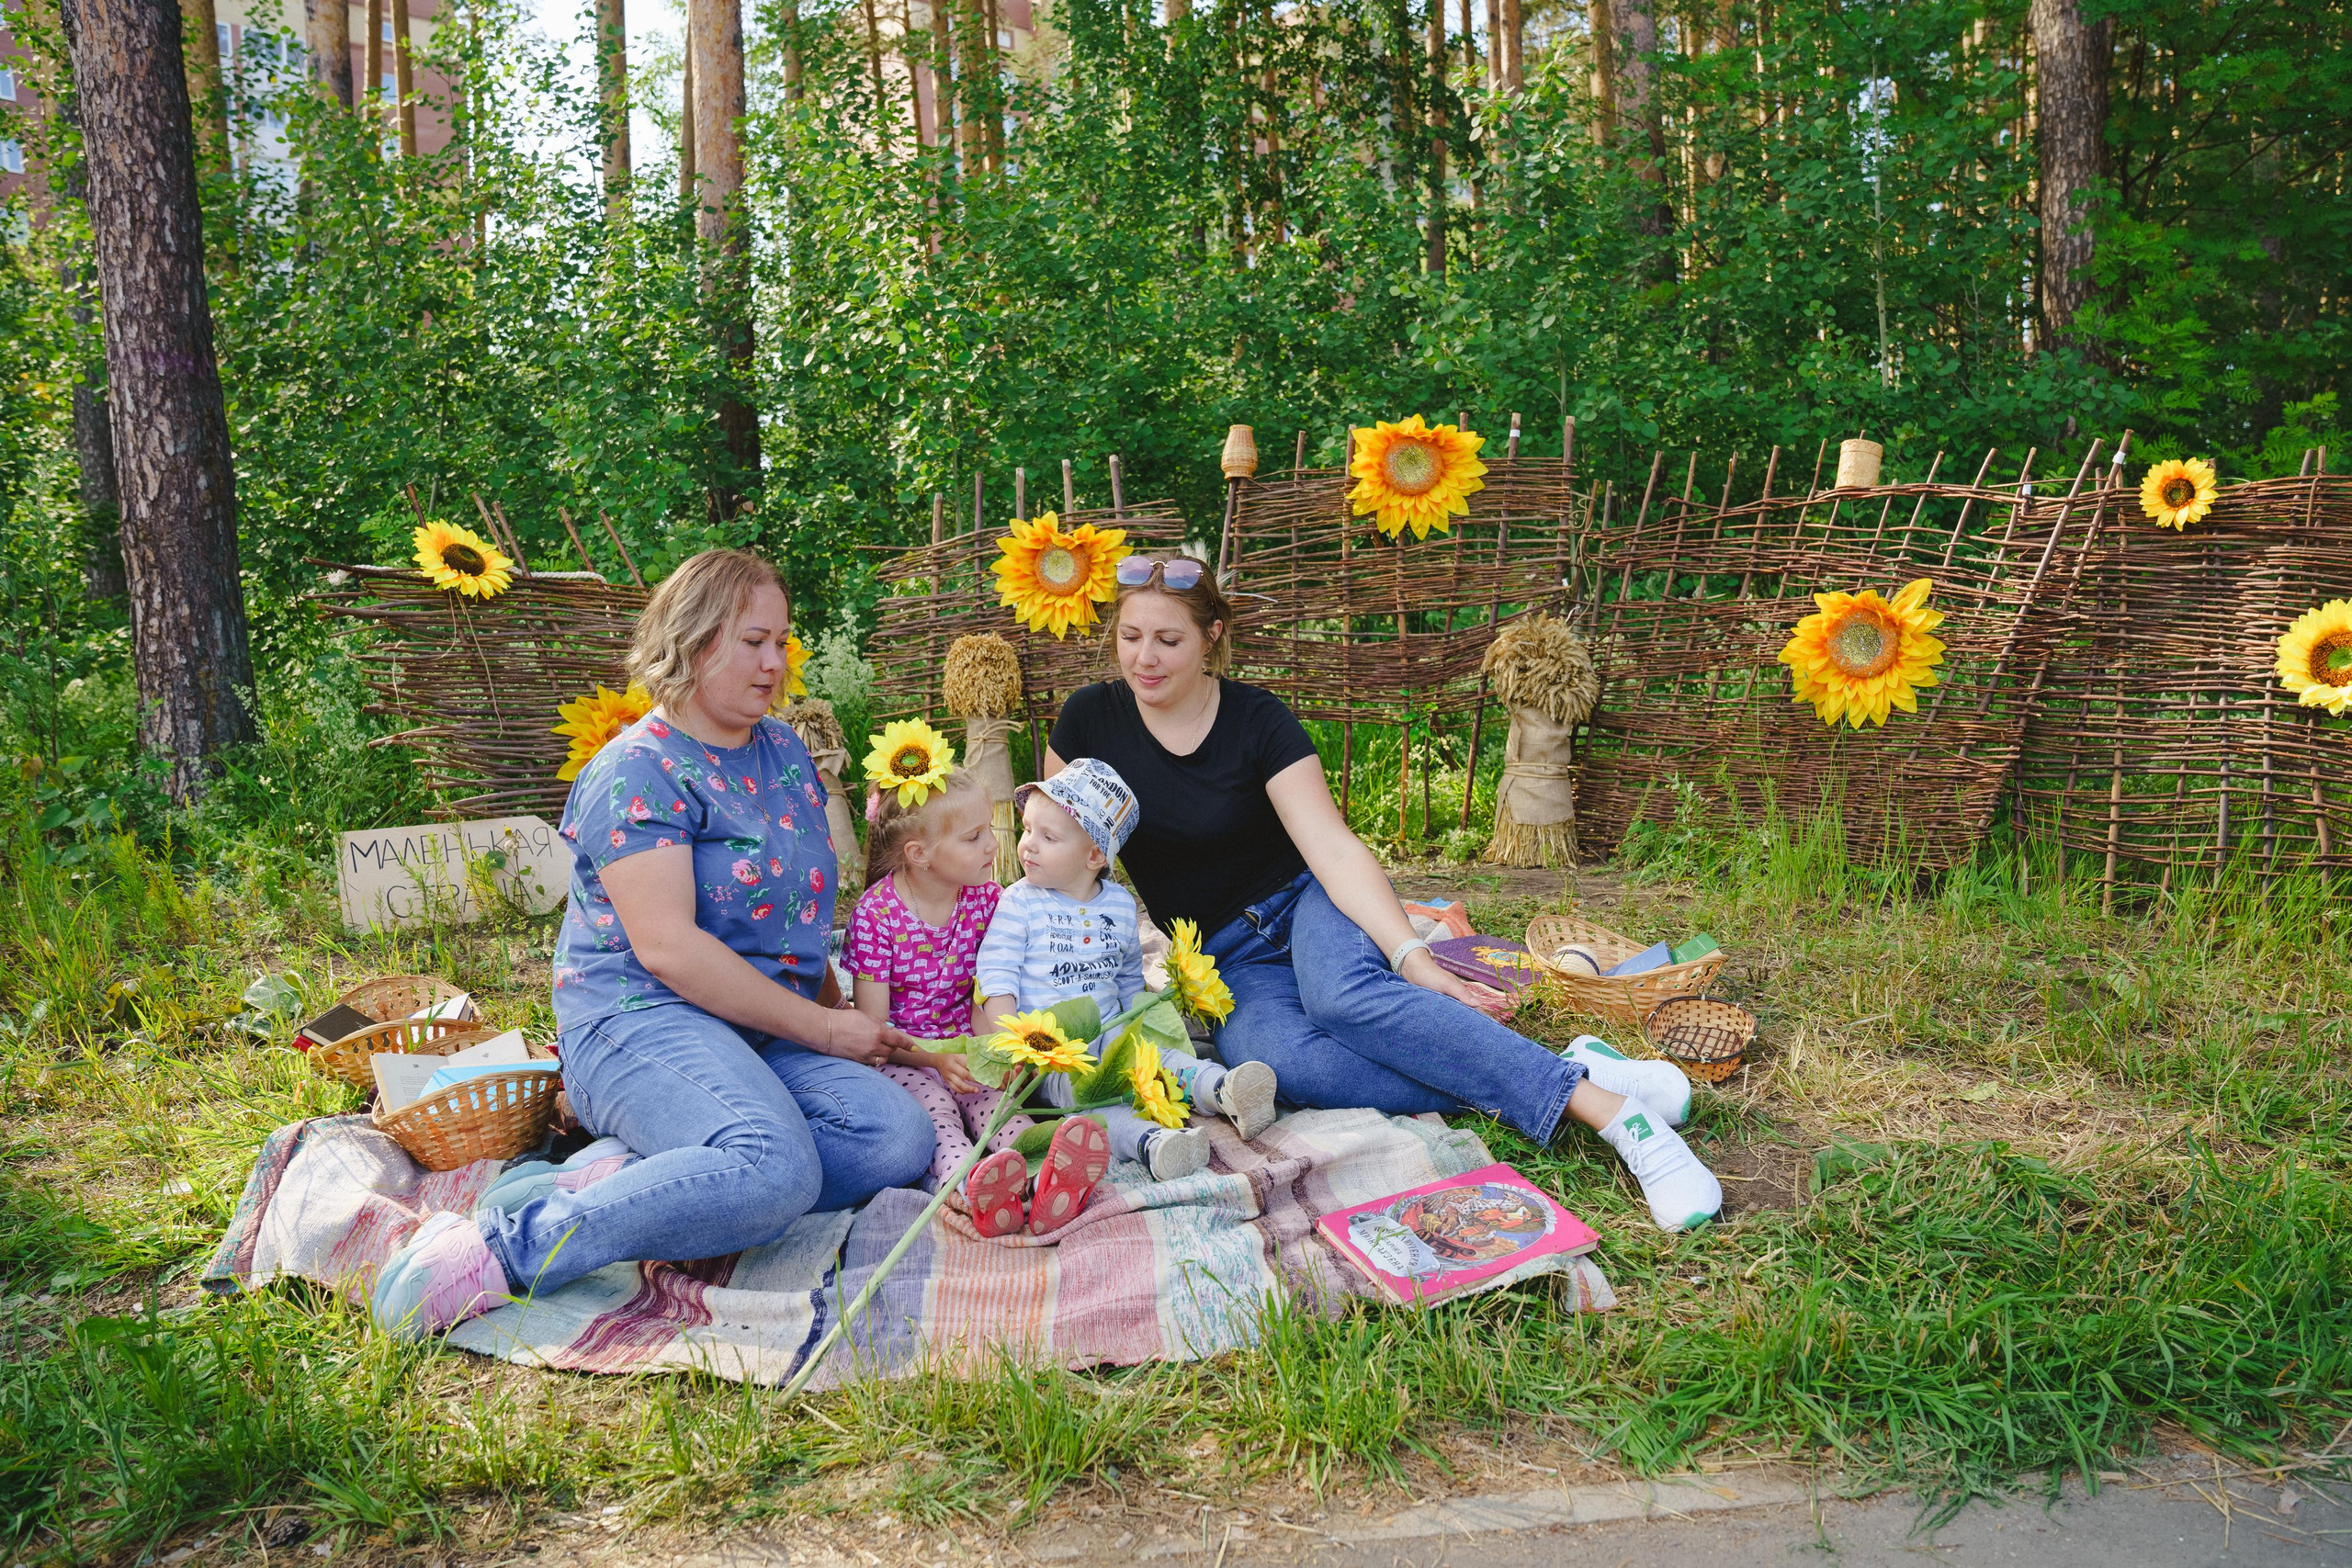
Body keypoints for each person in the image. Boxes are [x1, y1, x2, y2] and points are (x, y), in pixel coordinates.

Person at [1042, 556, 1722, 1232]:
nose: (1145, 658)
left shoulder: (1257, 719)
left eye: (1168, 639)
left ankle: (1619, 1119)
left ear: (1211, 635)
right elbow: (1062, 854)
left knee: (1343, 999)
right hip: (1221, 959)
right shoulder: (1089, 724)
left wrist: (1412, 958)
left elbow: (1332, 849)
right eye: (1130, 636)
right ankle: (1569, 1074)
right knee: (1283, 1066)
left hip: (1309, 900)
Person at [370, 549, 937, 1337]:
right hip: (637, 1020)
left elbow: (798, 922)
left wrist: (838, 1016)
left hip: (759, 1025)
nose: (775, 663)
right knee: (774, 1169)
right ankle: (510, 1246)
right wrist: (824, 1029)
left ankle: (638, 1174)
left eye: (781, 642)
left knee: (894, 1138)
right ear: (693, 642)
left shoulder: (783, 752)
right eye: (753, 642)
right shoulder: (637, 770)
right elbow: (669, 949)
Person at [970, 761, 1279, 1228]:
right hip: (1051, 1054)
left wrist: (1142, 1026)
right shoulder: (1018, 901)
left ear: (1095, 855)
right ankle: (1152, 1144)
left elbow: (1129, 977)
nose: (1027, 844)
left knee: (1158, 1061)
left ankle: (1223, 1089)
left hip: (1112, 1030)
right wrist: (1009, 1047)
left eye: (1048, 837)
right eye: (1028, 829)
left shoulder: (1117, 904)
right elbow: (997, 976)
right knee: (1093, 1103)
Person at [842, 759, 1102, 1233]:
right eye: (973, 836)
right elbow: (875, 1033)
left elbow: (987, 990)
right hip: (908, 1058)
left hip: (969, 1047)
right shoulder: (876, 916)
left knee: (1001, 1108)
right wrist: (935, 1060)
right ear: (920, 854)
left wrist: (1000, 1049)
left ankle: (1046, 1177)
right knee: (938, 1116)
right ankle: (973, 1189)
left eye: (989, 830)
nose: (993, 844)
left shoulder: (986, 900)